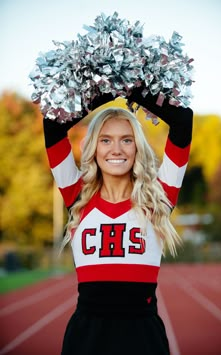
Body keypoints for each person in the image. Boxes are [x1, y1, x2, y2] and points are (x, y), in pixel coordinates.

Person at [43, 88, 193, 355]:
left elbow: (183, 121)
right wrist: (107, 91)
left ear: (137, 147)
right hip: (86, 338)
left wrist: (132, 89)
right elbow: (53, 125)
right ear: (94, 147)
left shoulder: (158, 196)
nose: (116, 149)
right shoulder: (77, 195)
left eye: (126, 140)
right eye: (105, 140)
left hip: (143, 336)